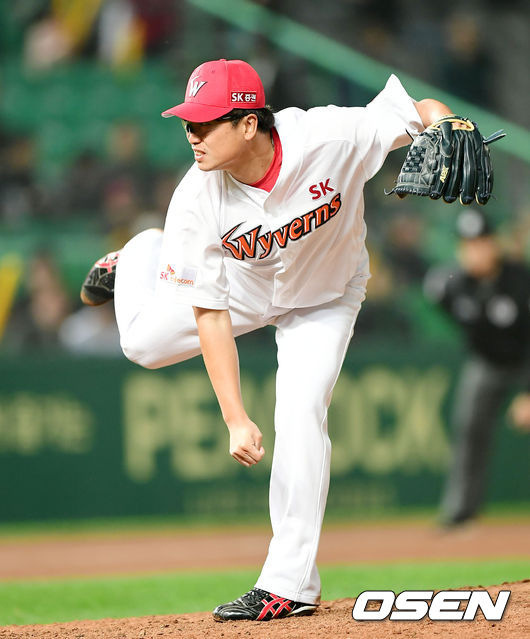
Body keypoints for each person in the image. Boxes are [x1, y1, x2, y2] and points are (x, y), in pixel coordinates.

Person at [80, 58, 461, 622]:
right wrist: (235, 417)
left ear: (248, 123)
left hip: (326, 294)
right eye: (188, 122)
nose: (192, 134)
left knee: (302, 411)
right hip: (242, 289)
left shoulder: (330, 136)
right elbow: (210, 316)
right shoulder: (196, 197)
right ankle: (142, 253)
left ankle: (289, 584)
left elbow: (417, 110)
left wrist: (446, 122)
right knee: (141, 345)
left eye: (205, 122)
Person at [424, 208, 530, 529]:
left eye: (481, 242)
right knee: (468, 428)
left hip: (524, 360)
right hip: (486, 362)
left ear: (494, 244)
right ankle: (461, 511)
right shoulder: (453, 285)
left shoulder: (519, 279)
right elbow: (439, 294)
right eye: (468, 244)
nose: (475, 251)